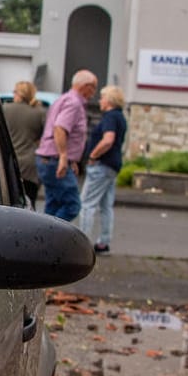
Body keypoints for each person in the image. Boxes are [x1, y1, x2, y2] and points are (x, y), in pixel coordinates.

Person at [35, 70, 95, 222]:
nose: (94, 93)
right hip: (55, 160)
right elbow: (60, 128)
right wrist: (63, 157)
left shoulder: (63, 99)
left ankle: (44, 239)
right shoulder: (74, 104)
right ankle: (51, 236)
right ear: (86, 86)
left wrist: (71, 160)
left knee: (53, 205)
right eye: (93, 88)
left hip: (48, 159)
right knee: (72, 205)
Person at [77, 85, 127, 254]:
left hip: (101, 165)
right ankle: (103, 242)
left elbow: (108, 139)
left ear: (110, 100)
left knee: (87, 204)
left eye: (102, 97)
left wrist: (93, 155)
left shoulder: (109, 117)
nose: (100, 101)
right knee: (106, 205)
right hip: (113, 165)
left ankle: (81, 243)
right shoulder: (120, 117)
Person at [1, 81, 46, 207]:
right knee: (29, 203)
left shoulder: (5, 109)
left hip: (9, 163)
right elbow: (47, 137)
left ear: (19, 93)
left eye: (14, 91)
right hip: (30, 166)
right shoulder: (39, 112)